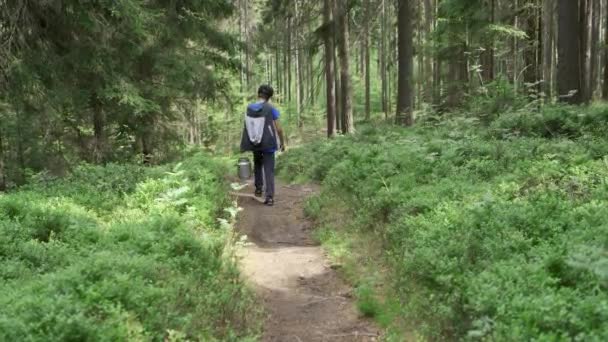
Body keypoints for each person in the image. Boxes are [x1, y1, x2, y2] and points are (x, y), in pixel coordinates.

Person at [240, 85, 286, 206]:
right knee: (269, 170)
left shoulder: (249, 108)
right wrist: (282, 142)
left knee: (258, 165)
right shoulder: (270, 108)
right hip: (268, 143)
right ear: (269, 97)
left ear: (258, 94)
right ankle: (269, 197)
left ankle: (258, 189)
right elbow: (279, 129)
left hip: (255, 142)